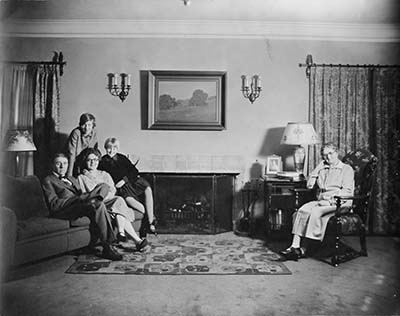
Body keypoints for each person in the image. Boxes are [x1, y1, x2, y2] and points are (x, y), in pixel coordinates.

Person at [280, 142, 354, 261]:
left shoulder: (346, 169)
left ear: (337, 153)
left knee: (316, 212)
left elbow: (347, 191)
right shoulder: (322, 169)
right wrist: (317, 169)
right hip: (322, 201)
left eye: (330, 153)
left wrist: (330, 201)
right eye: (324, 155)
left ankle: (304, 249)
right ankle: (294, 246)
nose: (328, 157)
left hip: (340, 203)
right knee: (303, 210)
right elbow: (309, 185)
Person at [42, 153, 122, 261]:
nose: (62, 166)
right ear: (52, 165)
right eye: (58, 163)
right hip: (66, 209)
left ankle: (95, 200)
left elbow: (83, 192)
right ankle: (108, 246)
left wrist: (85, 197)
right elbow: (54, 205)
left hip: (81, 204)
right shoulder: (48, 180)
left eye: (65, 163)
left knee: (103, 187)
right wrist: (77, 199)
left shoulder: (71, 178)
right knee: (97, 202)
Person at [77, 148, 148, 251]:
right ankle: (134, 239)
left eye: (96, 160)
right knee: (118, 202)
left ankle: (126, 235)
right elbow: (85, 194)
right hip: (97, 203)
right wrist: (89, 177)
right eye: (89, 160)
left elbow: (112, 189)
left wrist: (107, 196)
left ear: (98, 161)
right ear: (85, 161)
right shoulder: (82, 177)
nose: (93, 162)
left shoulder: (104, 174)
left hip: (110, 200)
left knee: (118, 204)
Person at [98, 137, 156, 235]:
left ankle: (151, 222)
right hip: (122, 189)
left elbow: (134, 171)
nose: (111, 150)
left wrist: (124, 180)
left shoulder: (122, 158)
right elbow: (101, 175)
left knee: (148, 188)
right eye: (109, 148)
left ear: (117, 149)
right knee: (137, 205)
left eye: (114, 148)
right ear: (105, 148)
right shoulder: (103, 161)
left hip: (131, 182)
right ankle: (149, 222)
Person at [66, 113, 98, 177]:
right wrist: (69, 174)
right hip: (75, 161)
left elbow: (94, 151)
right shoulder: (76, 133)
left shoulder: (94, 132)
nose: (86, 128)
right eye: (84, 125)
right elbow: (71, 154)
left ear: (93, 125)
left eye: (89, 125)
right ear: (80, 125)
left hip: (87, 161)